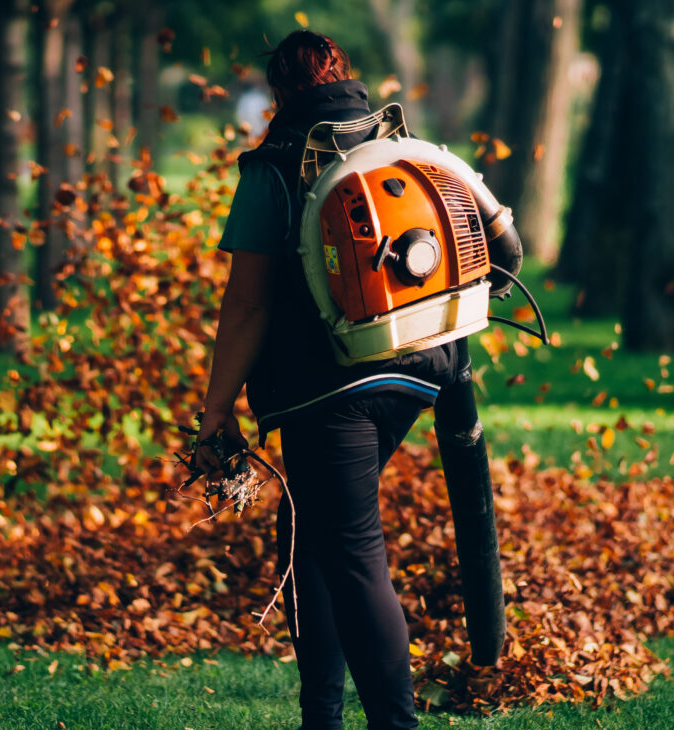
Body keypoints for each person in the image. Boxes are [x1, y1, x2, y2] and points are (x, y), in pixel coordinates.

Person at [191, 29, 475, 730]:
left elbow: (248, 302)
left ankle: (394, 724)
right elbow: (494, 245)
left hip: (333, 390)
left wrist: (215, 411)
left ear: (281, 93)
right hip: (426, 370)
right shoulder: (401, 147)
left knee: (351, 553)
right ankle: (320, 716)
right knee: (308, 524)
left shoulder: (274, 166)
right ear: (344, 76)